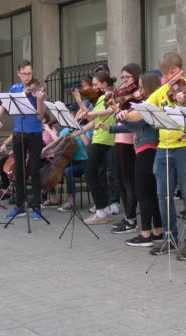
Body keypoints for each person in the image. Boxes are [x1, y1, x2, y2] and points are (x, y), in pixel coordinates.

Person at [122, 52, 186, 260]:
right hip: (164, 148)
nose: (170, 76)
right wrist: (124, 114)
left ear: (181, 69)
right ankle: (170, 238)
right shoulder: (160, 92)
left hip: (185, 147)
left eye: (173, 72)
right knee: (163, 195)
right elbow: (142, 110)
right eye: (166, 73)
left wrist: (182, 102)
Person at [101, 72, 164, 247]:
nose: (140, 90)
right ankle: (158, 231)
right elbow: (133, 127)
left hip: (147, 151)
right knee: (151, 194)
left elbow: (135, 125)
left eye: (142, 86)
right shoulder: (149, 104)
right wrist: (114, 125)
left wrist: (119, 113)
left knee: (144, 194)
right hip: (149, 150)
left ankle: (145, 234)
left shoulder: (149, 105)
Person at [0, 60, 46, 220]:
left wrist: (40, 100)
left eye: (30, 73)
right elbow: (4, 105)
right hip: (18, 133)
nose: (28, 77)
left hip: (35, 133)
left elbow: (40, 116)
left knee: (35, 170)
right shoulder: (15, 89)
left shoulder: (38, 88)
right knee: (19, 171)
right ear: (18, 74)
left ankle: (37, 206)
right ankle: (20, 206)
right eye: (24, 74)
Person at [72, 70, 117, 224]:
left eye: (96, 84)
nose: (93, 87)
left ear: (104, 84)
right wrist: (79, 132)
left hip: (103, 139)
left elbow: (90, 115)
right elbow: (94, 120)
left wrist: (79, 100)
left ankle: (101, 212)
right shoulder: (102, 98)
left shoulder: (107, 97)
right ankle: (103, 209)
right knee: (95, 175)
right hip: (99, 138)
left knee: (90, 174)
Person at [105, 63, 141, 234]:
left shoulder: (137, 97)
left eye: (127, 77)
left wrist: (118, 106)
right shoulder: (127, 95)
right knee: (121, 180)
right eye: (123, 78)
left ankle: (131, 219)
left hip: (129, 141)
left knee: (128, 181)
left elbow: (131, 120)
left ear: (136, 77)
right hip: (120, 139)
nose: (124, 81)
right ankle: (128, 216)